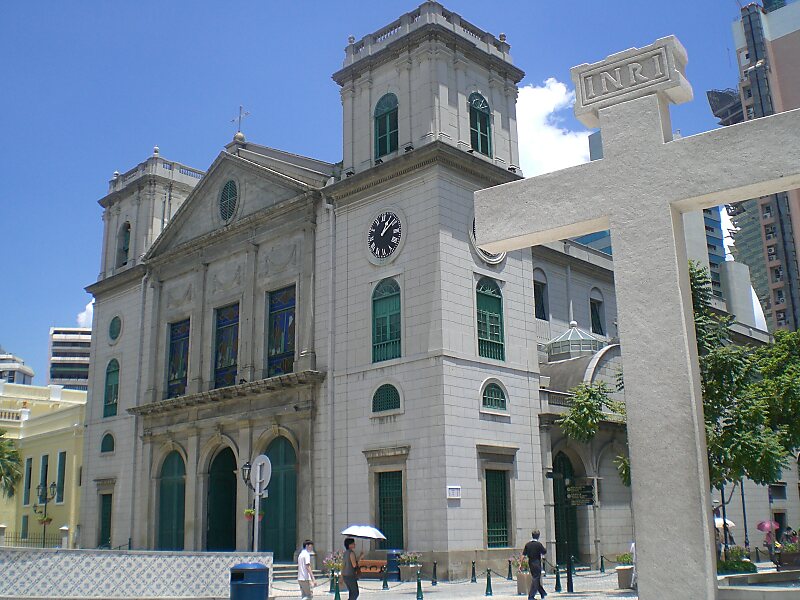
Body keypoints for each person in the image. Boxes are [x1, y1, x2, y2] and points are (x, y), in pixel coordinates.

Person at [522, 529, 547, 599]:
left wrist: (521, 564)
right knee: (536, 579)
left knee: (536, 578)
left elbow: (523, 554)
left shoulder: (528, 544)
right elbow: (544, 551)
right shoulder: (538, 544)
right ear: (538, 536)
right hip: (537, 563)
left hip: (530, 563)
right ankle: (531, 596)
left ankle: (542, 592)